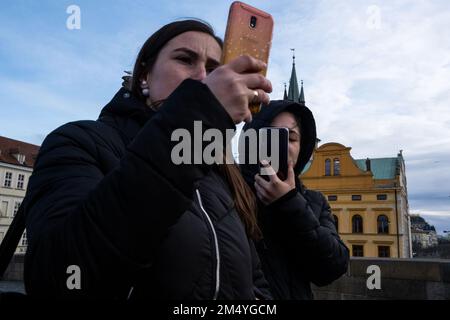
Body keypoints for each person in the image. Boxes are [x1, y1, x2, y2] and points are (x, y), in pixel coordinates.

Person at [21, 20, 273, 299]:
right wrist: (194, 119)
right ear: (144, 76)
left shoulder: (220, 172)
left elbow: (253, 281)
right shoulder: (80, 141)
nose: (203, 78)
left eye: (214, 69)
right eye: (185, 59)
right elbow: (59, 277)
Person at [239, 100, 350, 299]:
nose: (282, 145)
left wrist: (289, 204)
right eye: (270, 136)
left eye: (290, 138)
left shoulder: (315, 201)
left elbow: (332, 268)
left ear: (303, 147)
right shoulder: (231, 191)